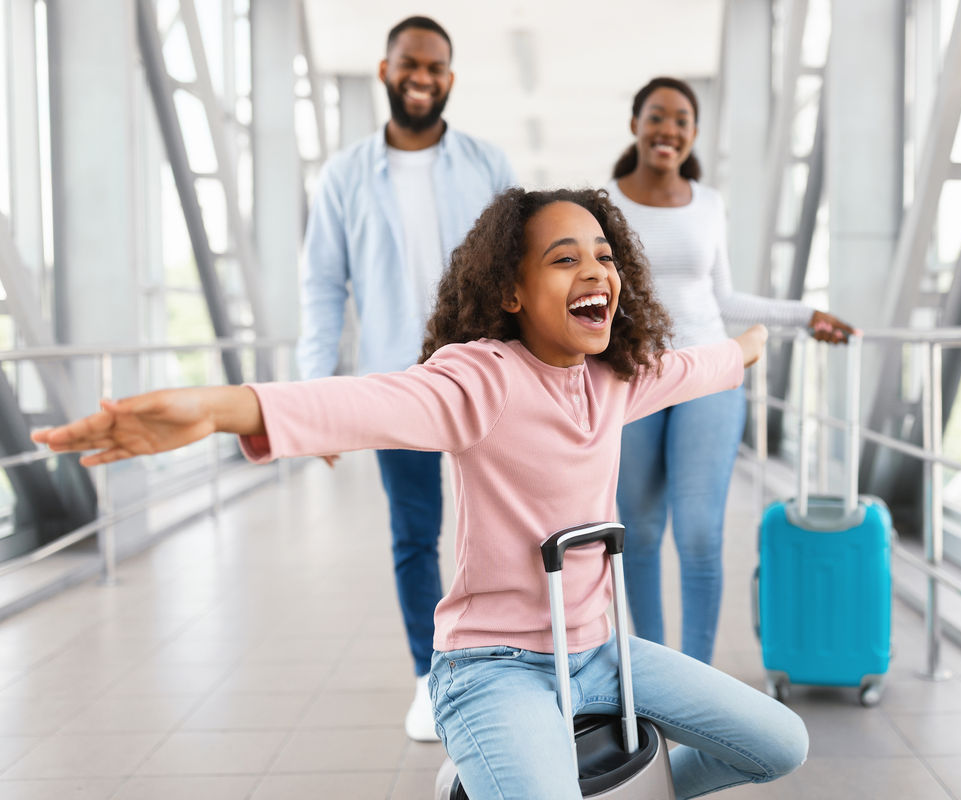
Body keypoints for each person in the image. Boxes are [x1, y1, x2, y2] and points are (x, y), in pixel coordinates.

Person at [33, 188, 809, 800]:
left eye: (604, 257)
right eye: (564, 259)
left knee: (781, 745)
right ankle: (482, 780)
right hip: (494, 667)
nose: (595, 273)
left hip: (602, 657)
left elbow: (701, 366)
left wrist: (750, 345)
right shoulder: (480, 378)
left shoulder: (613, 379)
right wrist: (216, 407)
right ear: (512, 290)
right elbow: (367, 401)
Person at [297, 15, 516, 740]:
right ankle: (431, 679)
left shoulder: (488, 164)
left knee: (509, 529)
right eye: (409, 65)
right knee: (416, 533)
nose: (422, 78)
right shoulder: (345, 174)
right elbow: (324, 286)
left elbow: (527, 264)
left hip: (489, 371)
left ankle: (515, 669)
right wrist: (313, 395)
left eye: (436, 68)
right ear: (386, 71)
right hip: (400, 382)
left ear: (449, 79)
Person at [607, 77, 858, 664]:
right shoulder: (603, 204)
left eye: (681, 120)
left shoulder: (709, 203)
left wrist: (805, 315)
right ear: (636, 124)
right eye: (656, 116)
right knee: (639, 534)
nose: (668, 129)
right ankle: (651, 674)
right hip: (633, 380)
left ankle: (696, 680)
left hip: (709, 374)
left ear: (693, 133)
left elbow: (724, 299)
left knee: (698, 533)